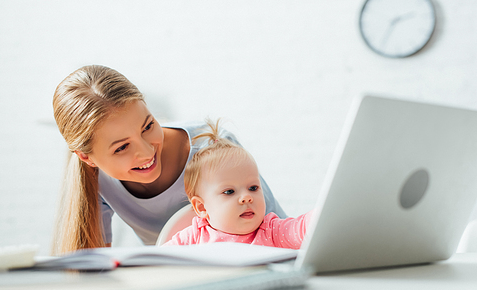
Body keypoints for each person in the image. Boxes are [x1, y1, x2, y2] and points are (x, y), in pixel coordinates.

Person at [52, 65, 285, 254]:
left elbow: (277, 232)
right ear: (86, 157)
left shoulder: (211, 146)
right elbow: (96, 269)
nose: (146, 152)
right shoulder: (97, 181)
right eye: (122, 147)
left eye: (148, 126)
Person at [163, 119, 312, 249]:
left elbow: (302, 228)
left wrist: (323, 212)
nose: (247, 197)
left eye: (253, 188)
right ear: (202, 207)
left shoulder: (272, 231)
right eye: (229, 192)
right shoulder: (194, 237)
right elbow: (158, 259)